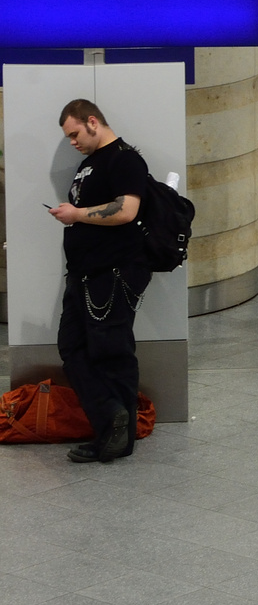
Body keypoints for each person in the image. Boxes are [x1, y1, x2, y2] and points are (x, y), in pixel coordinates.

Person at [48, 100, 151, 464]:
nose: (72, 141)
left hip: (114, 272)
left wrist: (76, 214)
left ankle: (118, 437)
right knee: (72, 347)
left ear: (93, 122)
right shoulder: (89, 164)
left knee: (112, 353)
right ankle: (110, 416)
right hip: (86, 273)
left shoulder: (123, 159)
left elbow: (126, 209)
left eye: (75, 133)